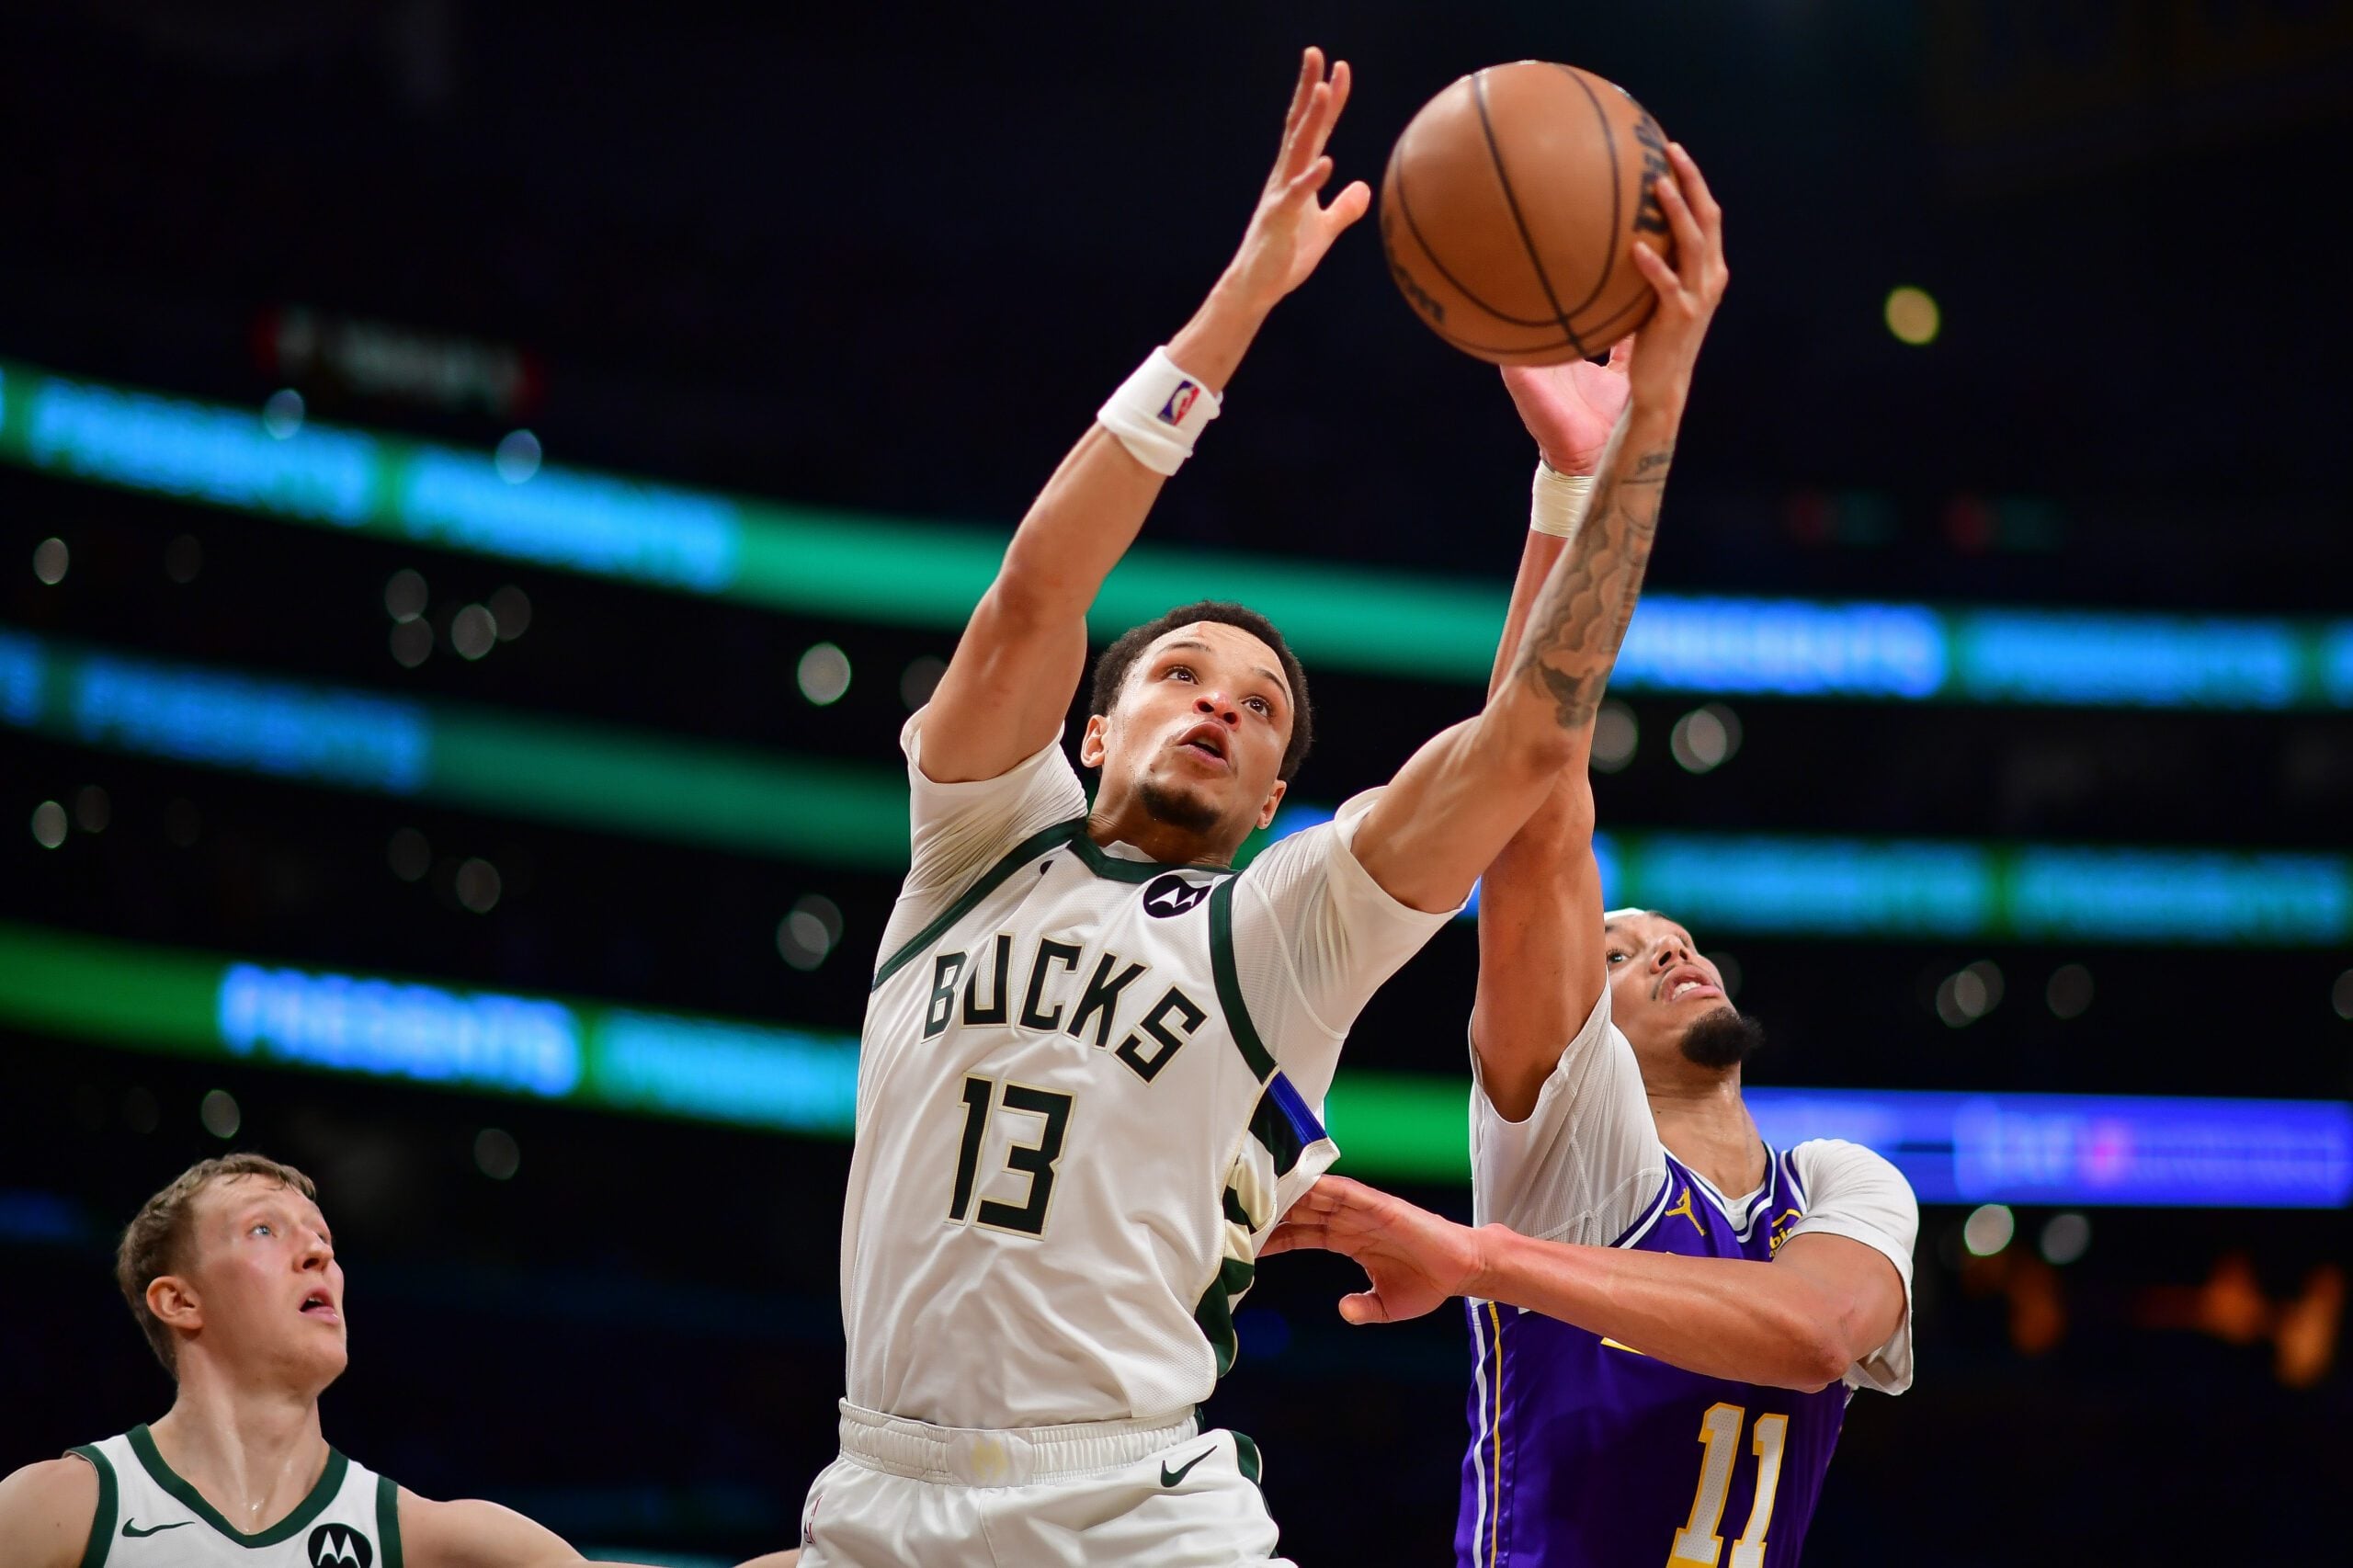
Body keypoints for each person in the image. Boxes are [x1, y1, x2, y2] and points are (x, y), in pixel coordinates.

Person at [789, 43, 1728, 1568]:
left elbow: (1525, 747)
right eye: (1180, 675)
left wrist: (1613, 456)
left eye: (1261, 704)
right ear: (1093, 731)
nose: (1220, 703)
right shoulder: (971, 845)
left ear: (1279, 792)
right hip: (878, 1495)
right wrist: (1238, 303)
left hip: (1133, 1511)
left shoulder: (1280, 924)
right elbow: (1036, 591)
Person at [1264, 149, 1918, 1566]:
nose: (1665, 943)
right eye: (1619, 946)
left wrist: (1473, 1258)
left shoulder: (1844, 1182)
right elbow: (1537, 794)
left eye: (1672, 935)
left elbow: (1816, 1333)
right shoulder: (1575, 1134)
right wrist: (1586, 479)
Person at [0, 1153, 675, 1568]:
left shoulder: (419, 1539)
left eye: (323, 1237)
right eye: (264, 1229)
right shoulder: (67, 1509)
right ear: (179, 1300)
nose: (319, 1253)